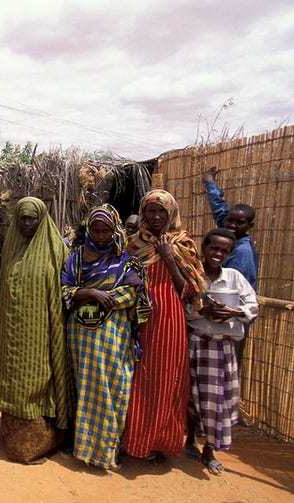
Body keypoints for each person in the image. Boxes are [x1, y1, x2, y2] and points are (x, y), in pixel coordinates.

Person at [0, 196, 74, 464]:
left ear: (42, 219)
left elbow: (66, 289)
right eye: (22, 218)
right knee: (13, 379)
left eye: (31, 218)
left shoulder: (56, 249)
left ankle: (38, 443)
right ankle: (14, 440)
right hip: (9, 331)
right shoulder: (10, 246)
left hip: (42, 331)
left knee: (36, 380)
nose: (26, 224)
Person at [61, 204, 151, 471]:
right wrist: (89, 294)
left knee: (115, 388)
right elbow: (65, 289)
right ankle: (86, 449)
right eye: (96, 230)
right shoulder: (76, 259)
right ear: (88, 230)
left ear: (115, 230)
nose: (100, 236)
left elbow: (135, 294)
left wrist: (108, 298)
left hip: (114, 336)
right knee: (86, 390)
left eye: (106, 230)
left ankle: (109, 449)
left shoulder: (126, 261)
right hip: (81, 337)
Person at [121, 189, 206, 464]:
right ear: (143, 212)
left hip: (169, 320)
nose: (156, 217)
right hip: (137, 319)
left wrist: (168, 256)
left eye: (162, 211)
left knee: (166, 379)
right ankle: (133, 439)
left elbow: (190, 289)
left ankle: (160, 442)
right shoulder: (133, 244)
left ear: (171, 213)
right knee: (136, 379)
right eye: (151, 211)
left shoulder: (182, 243)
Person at [184, 228, 258, 475]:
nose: (218, 254)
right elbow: (183, 306)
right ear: (203, 249)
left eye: (224, 250)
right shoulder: (194, 276)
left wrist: (233, 312)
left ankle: (210, 450)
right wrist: (200, 311)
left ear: (229, 253)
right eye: (214, 248)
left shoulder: (235, 277)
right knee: (192, 396)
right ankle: (190, 440)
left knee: (217, 400)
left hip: (221, 345)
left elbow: (252, 304)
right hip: (196, 342)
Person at [203, 167, 259, 371]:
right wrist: (210, 183)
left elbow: (234, 291)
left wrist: (228, 312)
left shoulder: (241, 253)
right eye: (230, 220)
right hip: (211, 320)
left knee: (226, 368)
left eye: (239, 222)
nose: (232, 225)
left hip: (229, 320)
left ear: (249, 226)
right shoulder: (227, 235)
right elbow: (219, 209)